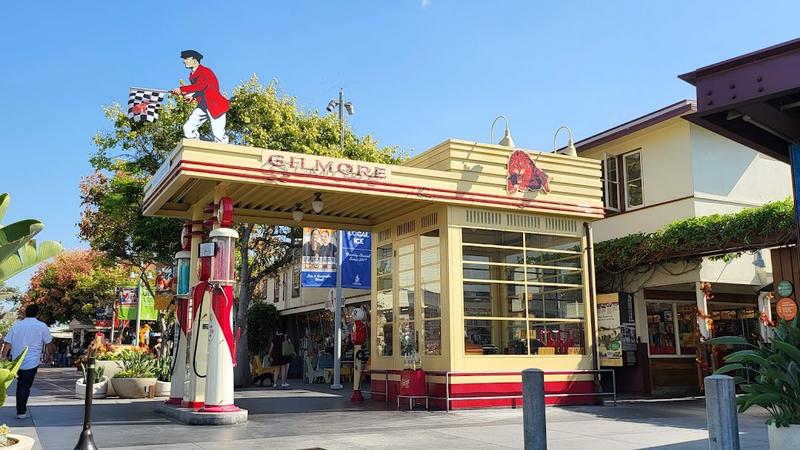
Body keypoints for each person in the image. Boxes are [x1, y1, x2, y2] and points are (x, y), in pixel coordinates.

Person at [1, 305, 54, 419]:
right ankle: (21, 411)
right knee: (24, 385)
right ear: (37, 313)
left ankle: (21, 410)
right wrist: (50, 356)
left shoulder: (17, 325)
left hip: (16, 361)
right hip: (32, 361)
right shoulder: (41, 326)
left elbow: (8, 343)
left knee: (21, 384)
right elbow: (49, 343)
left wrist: (4, 356)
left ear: (25, 313)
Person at [172, 50, 230, 144]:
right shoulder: (193, 74)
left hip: (215, 105)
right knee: (188, 129)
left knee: (219, 137)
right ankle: (197, 146)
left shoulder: (204, 71)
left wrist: (181, 89)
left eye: (186, 58)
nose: (184, 61)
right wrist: (193, 96)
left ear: (194, 60)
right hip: (204, 105)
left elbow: (201, 86)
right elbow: (202, 89)